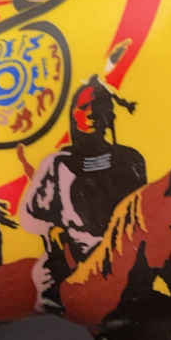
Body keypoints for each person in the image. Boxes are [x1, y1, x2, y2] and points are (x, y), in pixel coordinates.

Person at [20, 75, 146, 280]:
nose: (91, 113)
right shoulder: (57, 164)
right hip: (73, 262)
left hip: (125, 258)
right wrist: (51, 230)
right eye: (84, 107)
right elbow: (28, 216)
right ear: (73, 114)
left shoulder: (131, 160)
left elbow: (146, 211)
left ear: (109, 113)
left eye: (98, 106)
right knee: (46, 286)